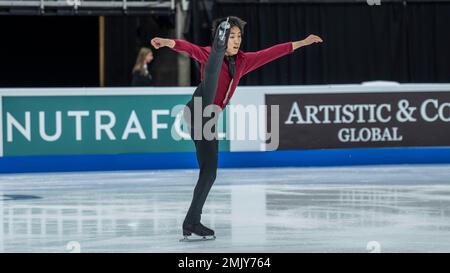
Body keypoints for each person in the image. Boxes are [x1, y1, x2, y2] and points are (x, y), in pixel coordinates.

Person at [151, 16, 323, 240]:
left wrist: (302, 42)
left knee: (209, 172)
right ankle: (218, 46)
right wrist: (167, 42)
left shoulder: (243, 61)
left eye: (238, 36)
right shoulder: (207, 52)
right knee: (212, 67)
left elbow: (270, 53)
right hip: (198, 107)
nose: (237, 40)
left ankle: (192, 221)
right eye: (231, 36)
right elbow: (189, 48)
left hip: (208, 119)